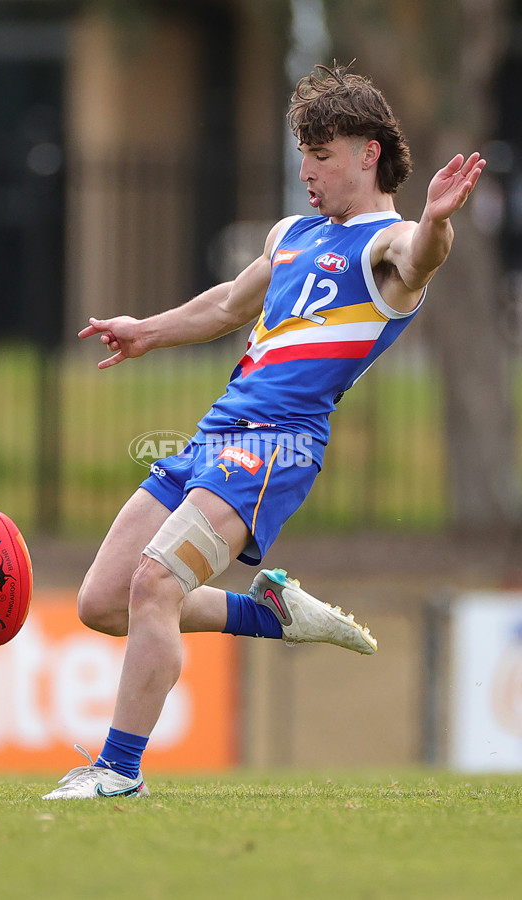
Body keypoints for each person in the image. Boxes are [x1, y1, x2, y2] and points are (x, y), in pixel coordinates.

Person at [42, 63, 485, 800]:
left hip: (277, 445)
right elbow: (226, 306)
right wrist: (145, 331)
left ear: (368, 153)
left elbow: (420, 259)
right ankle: (267, 612)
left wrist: (437, 220)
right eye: (301, 152)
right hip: (216, 435)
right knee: (105, 600)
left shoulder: (387, 246)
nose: (305, 169)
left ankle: (118, 772)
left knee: (156, 581)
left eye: (321, 153)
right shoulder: (291, 234)